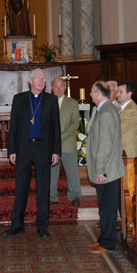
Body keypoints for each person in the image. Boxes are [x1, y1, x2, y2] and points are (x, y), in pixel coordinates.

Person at [3, 69, 61, 238]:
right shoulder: (19, 99)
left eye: (43, 79)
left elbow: (56, 128)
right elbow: (13, 127)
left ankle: (42, 226)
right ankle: (17, 225)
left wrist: (56, 151)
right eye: (38, 78)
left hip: (43, 148)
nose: (42, 81)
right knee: (21, 187)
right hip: (24, 148)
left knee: (43, 188)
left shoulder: (51, 100)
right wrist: (11, 150)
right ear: (30, 81)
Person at [86, 81, 124, 254]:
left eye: (91, 92)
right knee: (104, 207)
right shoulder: (105, 109)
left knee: (108, 208)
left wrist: (100, 169)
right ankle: (103, 238)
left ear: (97, 92)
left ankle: (108, 242)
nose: (90, 95)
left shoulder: (107, 112)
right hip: (106, 169)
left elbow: (106, 145)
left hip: (107, 170)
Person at [49, 77, 81, 207]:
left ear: (65, 87)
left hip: (67, 142)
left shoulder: (72, 103)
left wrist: (60, 137)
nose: (59, 89)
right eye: (56, 86)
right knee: (51, 172)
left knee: (72, 172)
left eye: (61, 86)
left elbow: (75, 124)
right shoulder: (47, 102)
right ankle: (51, 197)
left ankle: (74, 196)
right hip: (51, 144)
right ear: (51, 89)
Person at [117, 81, 137, 159]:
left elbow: (119, 128)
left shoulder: (132, 110)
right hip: (119, 149)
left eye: (120, 92)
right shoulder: (119, 108)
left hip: (127, 151)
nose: (117, 94)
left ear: (129, 94)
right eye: (117, 91)